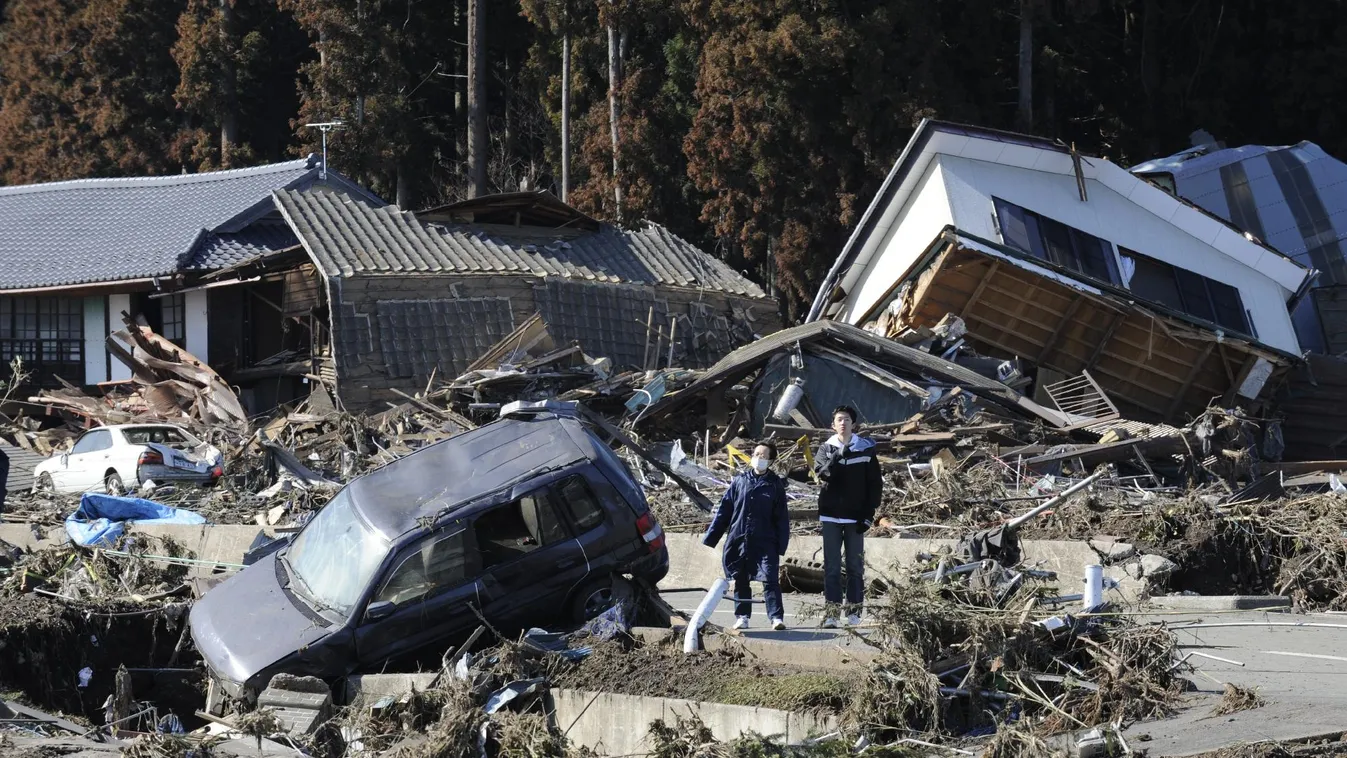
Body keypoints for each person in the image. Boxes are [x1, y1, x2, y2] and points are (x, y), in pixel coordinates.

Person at [702, 442, 790, 631]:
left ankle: (776, 617)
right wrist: (712, 536)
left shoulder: (775, 485)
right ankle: (742, 616)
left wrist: (781, 544)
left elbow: (782, 517)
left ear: (771, 460)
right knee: (741, 578)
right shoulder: (740, 481)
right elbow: (725, 510)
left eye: (764, 455)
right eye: (756, 453)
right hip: (740, 537)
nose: (759, 458)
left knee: (770, 578)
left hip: (765, 540)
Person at [813, 405, 881, 628]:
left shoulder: (866, 450)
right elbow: (822, 474)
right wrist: (837, 457)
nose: (843, 423)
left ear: (854, 424)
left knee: (855, 566)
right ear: (833, 425)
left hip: (855, 517)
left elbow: (874, 484)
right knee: (831, 566)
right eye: (839, 420)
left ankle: (853, 613)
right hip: (831, 515)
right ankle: (832, 614)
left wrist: (869, 514)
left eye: (847, 419)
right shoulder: (825, 448)